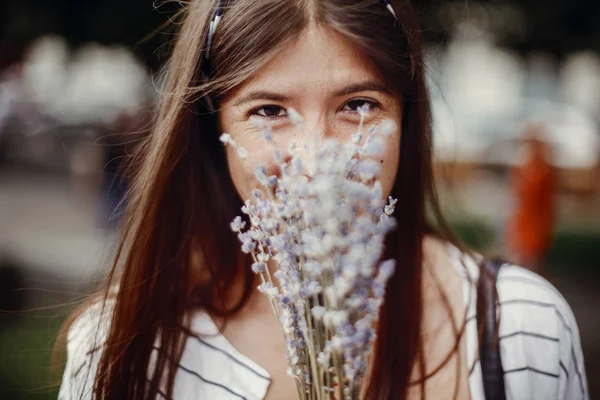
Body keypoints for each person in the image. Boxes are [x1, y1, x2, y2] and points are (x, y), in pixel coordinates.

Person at [56, 1, 587, 399]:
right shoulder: (120, 352)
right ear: (212, 134)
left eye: (358, 105)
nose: (316, 162)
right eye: (269, 111)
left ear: (406, 120)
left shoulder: (521, 328)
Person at [507, 123, 557, 274]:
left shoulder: (541, 170)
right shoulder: (526, 166)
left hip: (534, 227)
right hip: (524, 226)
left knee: (530, 263)